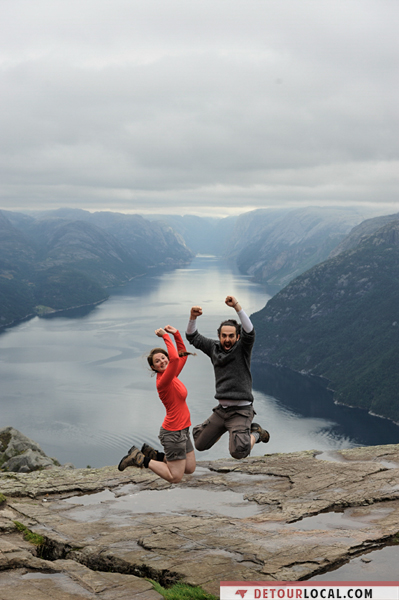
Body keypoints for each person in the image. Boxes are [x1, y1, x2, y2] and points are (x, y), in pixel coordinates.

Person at [186, 295, 269, 460]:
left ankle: (255, 433)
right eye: (224, 336)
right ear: (219, 336)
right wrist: (192, 317)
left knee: (238, 452)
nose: (227, 339)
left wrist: (237, 306)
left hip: (241, 411)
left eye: (231, 336)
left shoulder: (242, 349)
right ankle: (231, 430)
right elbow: (192, 336)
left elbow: (250, 331)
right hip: (221, 411)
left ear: (237, 337)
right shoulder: (213, 348)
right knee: (200, 444)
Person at [118, 325, 196, 483]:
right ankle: (139, 458)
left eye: (163, 358)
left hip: (183, 429)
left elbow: (182, 356)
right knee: (175, 477)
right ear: (153, 367)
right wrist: (165, 337)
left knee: (190, 468)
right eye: (157, 361)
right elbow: (174, 358)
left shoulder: (171, 375)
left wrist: (177, 335)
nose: (162, 361)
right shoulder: (164, 381)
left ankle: (155, 456)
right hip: (173, 433)